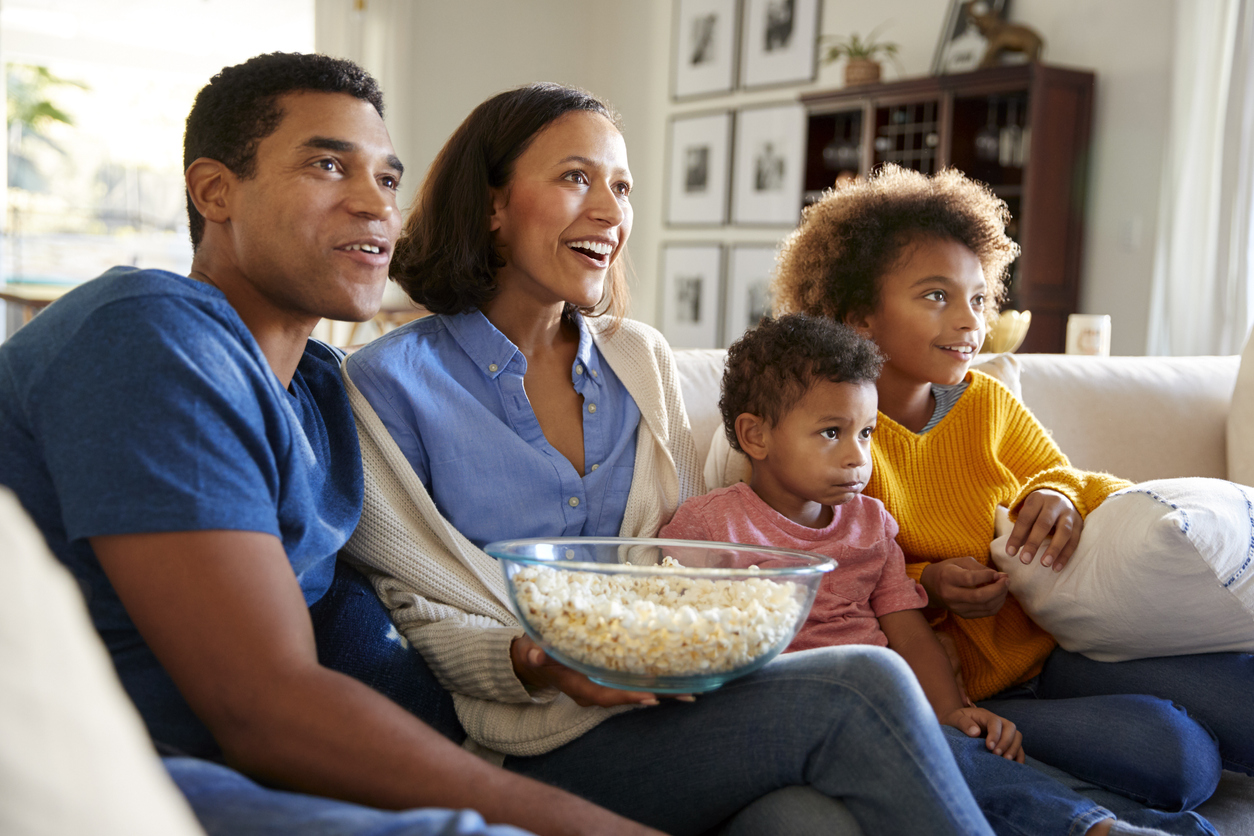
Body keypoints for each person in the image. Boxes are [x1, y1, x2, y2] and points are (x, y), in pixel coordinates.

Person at [0, 52, 660, 836]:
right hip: (130, 776)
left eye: (387, 179)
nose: (374, 205)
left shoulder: (322, 391)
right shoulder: (149, 333)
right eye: (326, 165)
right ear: (215, 192)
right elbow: (265, 705)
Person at [343, 82, 996, 836]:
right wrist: (532, 660)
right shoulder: (385, 384)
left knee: (805, 822)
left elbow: (688, 556)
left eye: (621, 187)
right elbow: (410, 605)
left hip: (679, 709)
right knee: (863, 682)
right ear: (492, 205)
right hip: (525, 744)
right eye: (575, 177)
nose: (609, 211)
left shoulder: (638, 359)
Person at [758, 163, 1254, 811]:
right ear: (859, 319)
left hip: (1054, 654)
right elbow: (830, 590)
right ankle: (1003, 767)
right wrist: (929, 585)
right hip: (961, 692)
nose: (968, 321)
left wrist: (1057, 495)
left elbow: (1069, 476)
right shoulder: (827, 436)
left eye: (978, 297)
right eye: (936, 296)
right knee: (1180, 760)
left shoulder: (985, 403)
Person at [662, 313, 1218, 836]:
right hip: (796, 716)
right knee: (927, 746)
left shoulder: (871, 523)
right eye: (831, 433)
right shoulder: (712, 526)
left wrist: (954, 709)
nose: (858, 457)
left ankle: (1132, 825)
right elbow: (676, 636)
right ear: (755, 436)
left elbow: (906, 629)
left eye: (866, 434)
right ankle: (1092, 827)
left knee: (966, 748)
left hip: (891, 703)